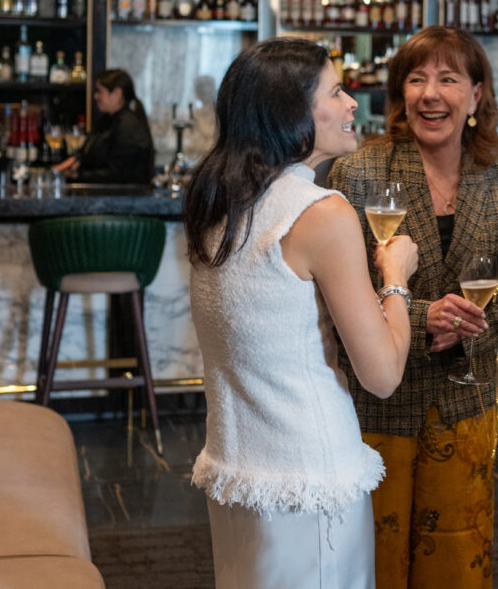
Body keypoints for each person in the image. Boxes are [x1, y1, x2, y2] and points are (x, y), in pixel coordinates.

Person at [183, 37, 418, 588]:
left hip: (239, 472)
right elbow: (382, 375)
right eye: (336, 91)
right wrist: (396, 280)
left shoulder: (218, 202)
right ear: (294, 112)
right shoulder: (321, 213)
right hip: (311, 477)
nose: (353, 102)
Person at [328, 26, 498, 589]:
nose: (430, 93)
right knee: (374, 556)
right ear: (400, 94)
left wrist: (472, 329)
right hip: (379, 401)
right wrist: (425, 316)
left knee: (458, 557)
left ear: (476, 95)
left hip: (466, 400)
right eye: (416, 78)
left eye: (448, 78)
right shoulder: (360, 171)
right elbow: (337, 291)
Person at [54, 68, 155, 184]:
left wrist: (79, 175)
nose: (95, 96)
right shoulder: (108, 120)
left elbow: (120, 174)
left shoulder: (128, 126)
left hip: (122, 199)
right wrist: (76, 160)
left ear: (117, 93)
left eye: (99, 91)